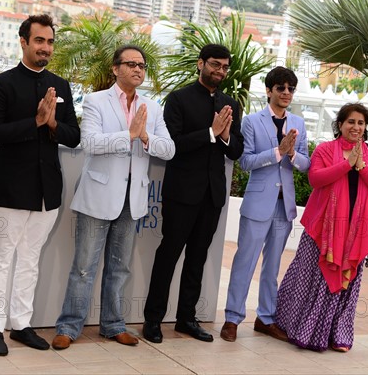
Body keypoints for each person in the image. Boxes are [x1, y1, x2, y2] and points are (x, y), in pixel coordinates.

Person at [51, 45, 175, 349]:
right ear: (115, 69)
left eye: (142, 65)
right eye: (131, 64)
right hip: (98, 195)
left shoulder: (153, 107)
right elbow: (89, 142)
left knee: (120, 267)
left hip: (133, 199)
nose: (138, 69)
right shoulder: (95, 100)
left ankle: (112, 324)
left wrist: (145, 136)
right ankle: (68, 326)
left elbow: (169, 150)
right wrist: (129, 135)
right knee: (84, 267)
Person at [0, 14, 80, 356]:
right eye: (39, 41)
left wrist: (52, 124)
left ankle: (21, 324)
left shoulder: (61, 85)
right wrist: (34, 121)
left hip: (47, 192)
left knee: (30, 260)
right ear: (23, 41)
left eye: (50, 42)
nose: (46, 48)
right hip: (10, 190)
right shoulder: (2, 83)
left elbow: (73, 134)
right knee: (1, 259)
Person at [143, 44, 244, 344]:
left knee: (197, 258)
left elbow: (236, 150)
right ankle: (153, 319)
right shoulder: (178, 99)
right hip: (181, 193)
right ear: (200, 64)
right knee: (168, 255)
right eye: (215, 64)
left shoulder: (230, 104)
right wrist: (210, 133)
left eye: (225, 67)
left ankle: (186, 318)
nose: (220, 71)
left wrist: (224, 136)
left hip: (212, 196)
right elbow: (172, 145)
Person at [275, 103, 368, 352]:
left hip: (355, 231)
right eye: (351, 122)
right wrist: (347, 163)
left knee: (347, 285)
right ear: (340, 124)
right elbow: (315, 179)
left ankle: (338, 334)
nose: (356, 127)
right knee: (309, 278)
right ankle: (302, 329)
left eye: (361, 123)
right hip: (322, 231)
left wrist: (361, 167)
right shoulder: (327, 150)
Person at [220, 67, 311, 342]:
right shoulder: (251, 121)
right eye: (280, 88)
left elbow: (307, 164)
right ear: (269, 91)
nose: (286, 93)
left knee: (272, 266)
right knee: (244, 262)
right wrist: (277, 152)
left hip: (285, 207)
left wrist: (293, 154)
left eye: (290, 89)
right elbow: (244, 162)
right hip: (258, 202)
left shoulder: (299, 122)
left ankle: (266, 318)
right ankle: (232, 318)